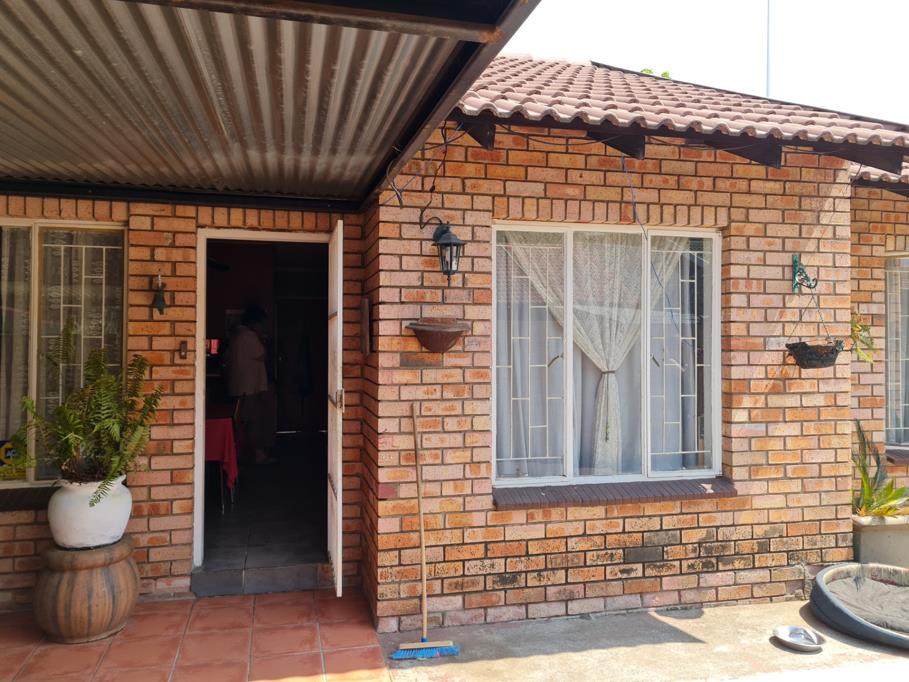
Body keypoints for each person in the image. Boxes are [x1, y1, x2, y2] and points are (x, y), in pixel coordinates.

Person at [226, 304, 275, 464]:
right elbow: (262, 354)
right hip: (249, 387)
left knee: (240, 423)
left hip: (237, 386)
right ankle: (258, 455)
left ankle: (237, 456)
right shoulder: (250, 336)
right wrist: (261, 338)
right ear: (255, 322)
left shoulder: (235, 335)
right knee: (253, 422)